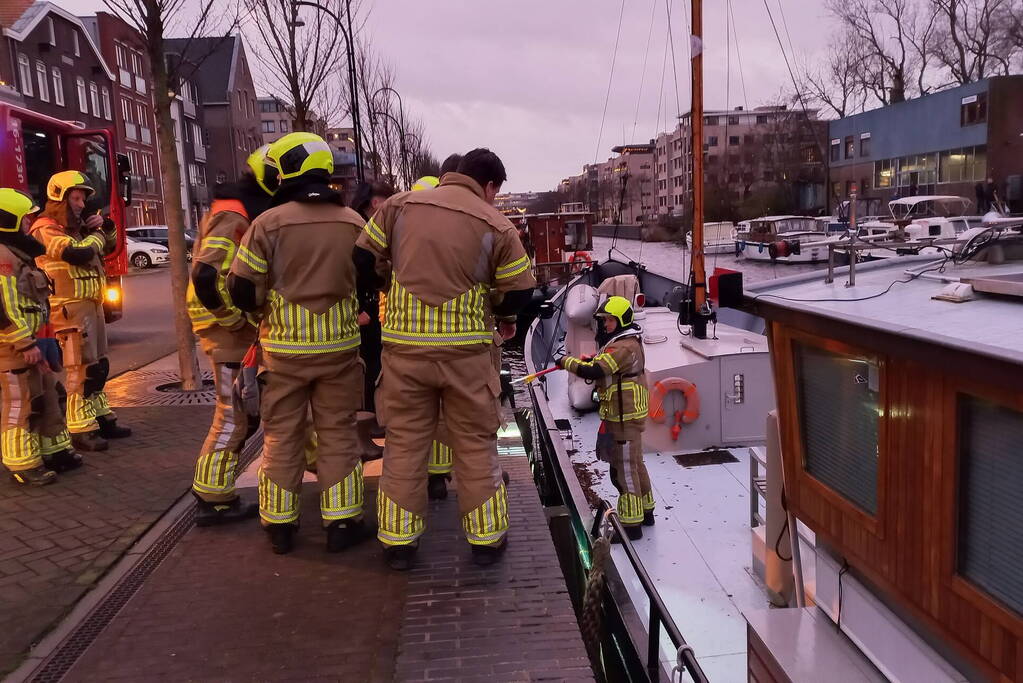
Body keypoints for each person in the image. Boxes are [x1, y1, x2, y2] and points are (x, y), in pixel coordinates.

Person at [354, 148, 535, 570]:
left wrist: (386, 285)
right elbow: (519, 291)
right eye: (495, 191)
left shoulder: (399, 206)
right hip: (466, 358)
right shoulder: (496, 223)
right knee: (474, 445)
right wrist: (504, 318)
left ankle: (398, 545)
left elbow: (362, 257)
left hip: (404, 354)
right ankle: (486, 542)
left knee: (404, 445)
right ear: (489, 185)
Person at [228, 132, 366, 555]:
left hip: (284, 353)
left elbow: (241, 287)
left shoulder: (267, 223)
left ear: (285, 169)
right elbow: (375, 276)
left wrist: (262, 316)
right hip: (340, 350)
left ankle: (280, 526)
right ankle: (341, 523)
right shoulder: (353, 222)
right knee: (338, 435)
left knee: (282, 437)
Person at [187, 145, 278, 525]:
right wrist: (236, 320)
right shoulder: (234, 213)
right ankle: (212, 497)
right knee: (232, 416)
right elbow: (207, 275)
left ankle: (214, 491)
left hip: (228, 328)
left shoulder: (241, 209)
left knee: (242, 414)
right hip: (225, 331)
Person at [30, 171, 130, 453]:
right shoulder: (45, 228)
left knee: (99, 366)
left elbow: (108, 248)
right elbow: (76, 254)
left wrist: (106, 226)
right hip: (69, 307)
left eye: (82, 199)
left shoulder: (77, 228)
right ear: (59, 198)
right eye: (75, 198)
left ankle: (101, 417)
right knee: (81, 369)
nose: (80, 204)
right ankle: (80, 428)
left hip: (91, 304)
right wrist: (97, 234)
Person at [0, 188, 81, 486]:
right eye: (25, 219)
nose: (28, 225)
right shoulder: (3, 257)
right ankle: (22, 464)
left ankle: (55, 451)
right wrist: (25, 343)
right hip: (12, 348)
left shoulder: (16, 254)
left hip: (27, 343)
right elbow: (4, 308)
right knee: (20, 406)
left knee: (49, 396)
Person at [556, 295, 653, 540]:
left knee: (624, 471)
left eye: (609, 320)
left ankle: (631, 526)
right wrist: (592, 360)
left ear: (620, 320)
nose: (605, 325)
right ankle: (646, 512)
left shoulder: (623, 346)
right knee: (636, 464)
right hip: (629, 414)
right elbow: (604, 365)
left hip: (623, 417)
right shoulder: (628, 341)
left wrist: (567, 362)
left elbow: (596, 370)